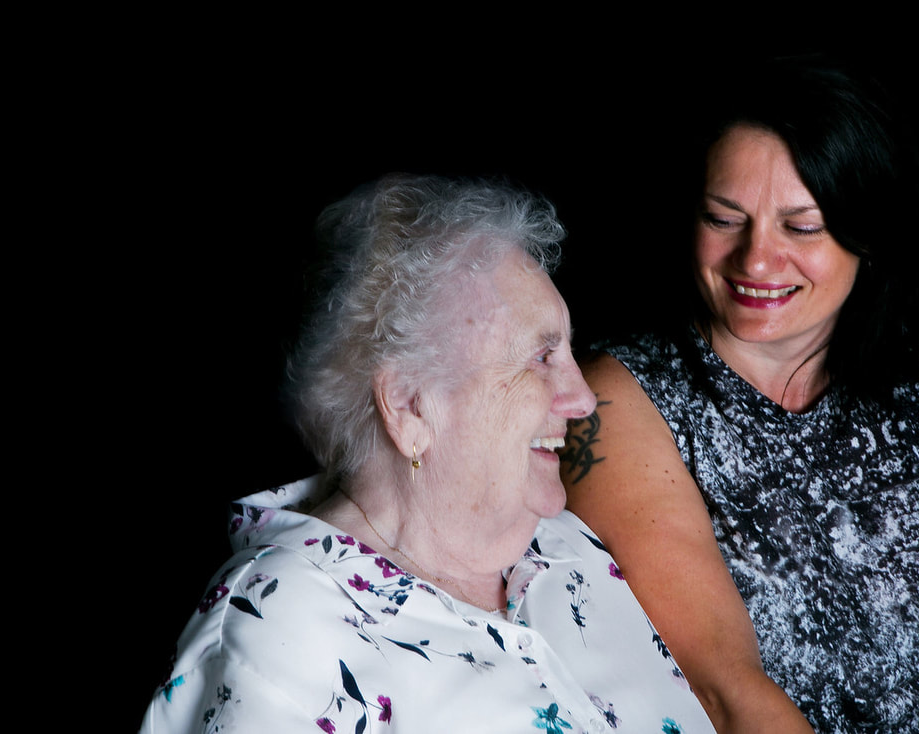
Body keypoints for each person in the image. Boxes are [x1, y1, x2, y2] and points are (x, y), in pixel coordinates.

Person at [138, 174, 716, 733]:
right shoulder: (279, 631)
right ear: (410, 405)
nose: (584, 398)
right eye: (542, 358)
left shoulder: (570, 547)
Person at [561, 55, 919, 734]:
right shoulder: (618, 399)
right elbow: (722, 691)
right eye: (723, 219)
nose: (756, 260)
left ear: (869, 234)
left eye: (801, 227)